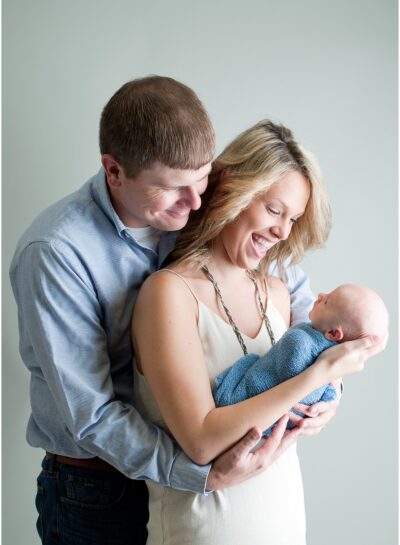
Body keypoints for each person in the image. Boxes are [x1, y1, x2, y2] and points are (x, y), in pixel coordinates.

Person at [8, 76, 338, 545]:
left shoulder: (187, 205)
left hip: (187, 479)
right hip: (96, 487)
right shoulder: (57, 252)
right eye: (176, 188)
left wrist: (330, 381)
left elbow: (294, 294)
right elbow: (92, 415)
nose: (197, 202)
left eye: (203, 179)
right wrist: (204, 473)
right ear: (114, 171)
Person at [131, 119, 385, 545]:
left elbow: (304, 382)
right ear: (232, 188)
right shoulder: (168, 293)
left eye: (294, 218)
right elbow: (201, 440)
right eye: (273, 209)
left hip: (283, 522)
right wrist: (319, 375)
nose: (283, 232)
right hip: (199, 530)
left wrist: (330, 391)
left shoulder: (279, 295)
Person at [214, 284, 389, 436]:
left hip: (245, 404)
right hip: (275, 425)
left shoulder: (300, 341)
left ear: (333, 333)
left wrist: (322, 374)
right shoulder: (326, 360)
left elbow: (292, 375)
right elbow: (329, 395)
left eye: (326, 301)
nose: (320, 295)